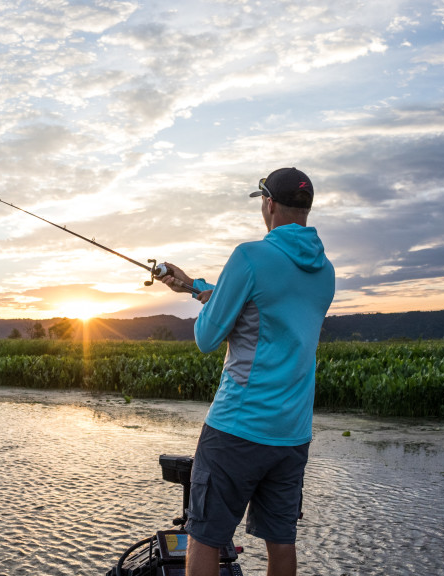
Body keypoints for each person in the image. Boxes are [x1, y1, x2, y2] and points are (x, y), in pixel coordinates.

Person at [158, 167, 335, 576]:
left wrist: (209, 304)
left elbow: (208, 336)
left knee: (204, 535)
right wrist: (192, 286)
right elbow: (266, 311)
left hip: (238, 428)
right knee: (281, 540)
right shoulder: (324, 272)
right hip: (292, 434)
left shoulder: (249, 257)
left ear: (268, 204)